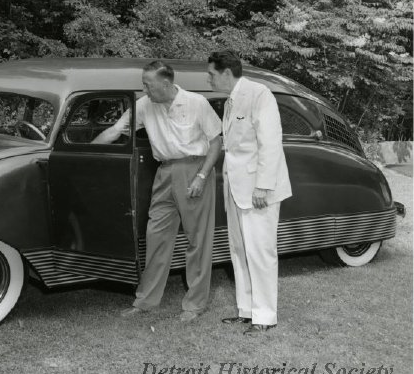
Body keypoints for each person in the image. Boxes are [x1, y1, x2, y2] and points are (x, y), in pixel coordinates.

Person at [93, 61, 222, 323]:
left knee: (198, 241)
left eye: (147, 85)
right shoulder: (144, 104)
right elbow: (115, 130)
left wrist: (201, 176)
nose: (144, 89)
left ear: (165, 84)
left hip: (194, 170)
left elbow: (216, 141)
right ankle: (145, 302)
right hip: (164, 172)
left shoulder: (196, 103)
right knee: (156, 237)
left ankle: (194, 306)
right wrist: (89, 152)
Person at [206, 50, 292, 336]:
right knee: (239, 250)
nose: (209, 78)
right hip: (235, 188)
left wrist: (263, 186)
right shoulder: (230, 100)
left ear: (226, 73)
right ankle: (246, 311)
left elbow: (270, 143)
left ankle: (265, 317)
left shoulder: (259, 94)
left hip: (258, 189)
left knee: (260, 252)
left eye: (212, 73)